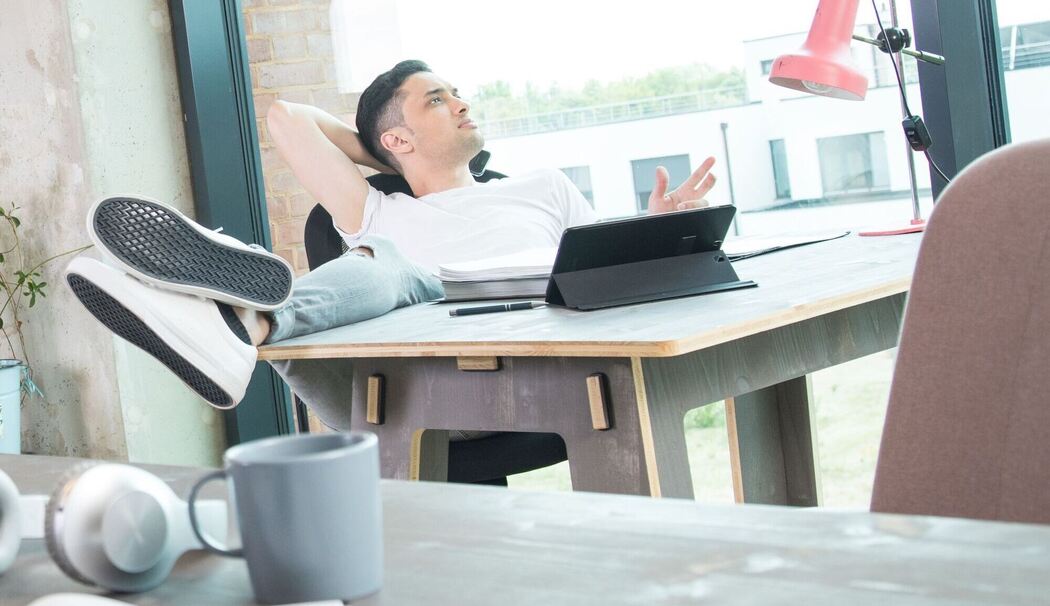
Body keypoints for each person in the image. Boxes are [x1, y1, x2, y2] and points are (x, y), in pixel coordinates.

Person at [65, 60, 719, 431]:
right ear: (399, 138)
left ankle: (233, 326)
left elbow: (603, 274)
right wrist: (392, 154)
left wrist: (655, 226)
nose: (461, 103)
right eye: (437, 100)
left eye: (456, 94)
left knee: (387, 263)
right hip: (429, 378)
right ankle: (241, 325)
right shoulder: (376, 210)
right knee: (385, 263)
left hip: (551, 363)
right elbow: (287, 119)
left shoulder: (544, 188)